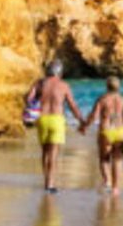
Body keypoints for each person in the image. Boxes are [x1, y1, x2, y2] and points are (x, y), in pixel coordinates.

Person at [24, 60, 84, 194]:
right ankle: (50, 184)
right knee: (53, 154)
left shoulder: (39, 83)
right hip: (57, 120)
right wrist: (81, 120)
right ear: (60, 72)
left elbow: (28, 98)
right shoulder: (64, 85)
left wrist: (31, 108)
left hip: (42, 119)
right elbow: (72, 105)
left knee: (45, 152)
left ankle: (46, 181)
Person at [81, 76, 123, 196]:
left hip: (106, 131)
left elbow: (94, 116)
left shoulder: (102, 99)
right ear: (119, 87)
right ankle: (116, 188)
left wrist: (84, 126)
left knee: (104, 159)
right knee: (117, 159)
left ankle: (107, 182)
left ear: (106, 86)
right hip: (120, 131)